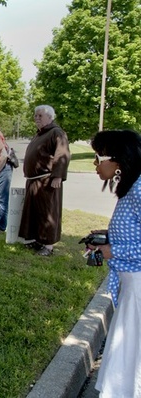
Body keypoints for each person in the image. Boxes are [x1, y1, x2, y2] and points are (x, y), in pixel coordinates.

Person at [89, 129, 141, 397]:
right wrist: (107, 239)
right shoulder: (133, 186)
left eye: (98, 158)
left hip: (138, 289)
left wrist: (111, 250)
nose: (96, 165)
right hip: (131, 286)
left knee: (132, 356)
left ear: (117, 157)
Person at [18, 105, 70, 256]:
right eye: (35, 115)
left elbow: (62, 154)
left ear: (50, 117)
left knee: (47, 213)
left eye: (40, 116)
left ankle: (48, 246)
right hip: (34, 180)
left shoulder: (56, 132)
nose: (36, 118)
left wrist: (58, 176)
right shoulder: (40, 134)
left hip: (47, 180)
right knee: (34, 213)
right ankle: (37, 239)